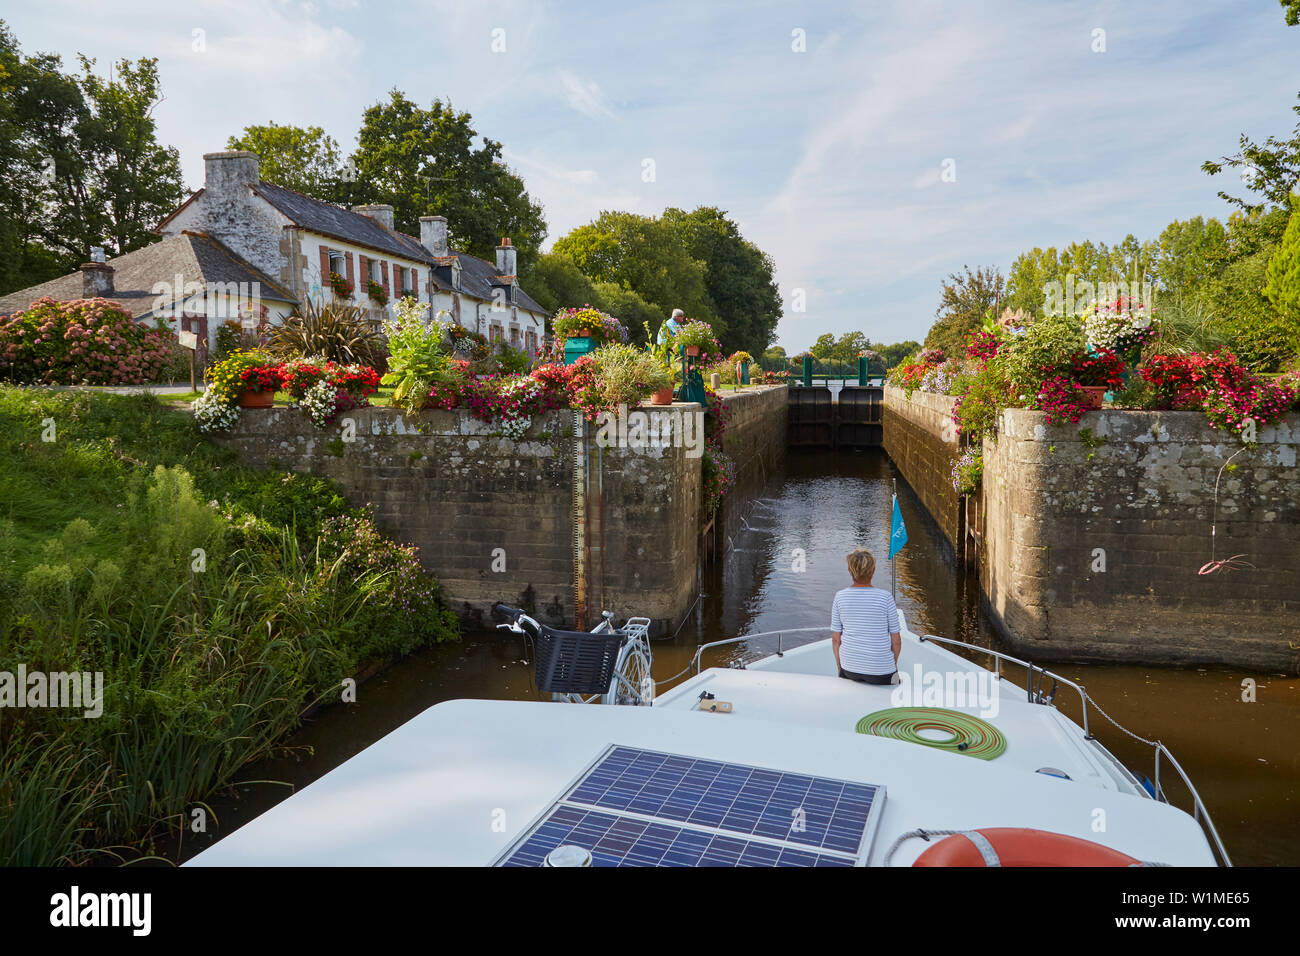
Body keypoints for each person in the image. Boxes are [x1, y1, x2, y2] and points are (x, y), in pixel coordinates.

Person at [830, 549, 901, 684]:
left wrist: (840, 668)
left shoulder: (840, 597)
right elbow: (896, 641)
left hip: (849, 669)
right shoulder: (886, 597)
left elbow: (835, 640)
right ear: (873, 571)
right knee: (896, 685)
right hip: (882, 671)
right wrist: (893, 666)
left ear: (850, 571)